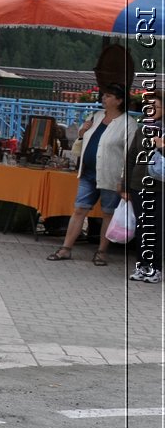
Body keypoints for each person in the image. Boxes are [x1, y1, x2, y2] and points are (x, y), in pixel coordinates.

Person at [47, 83, 136, 266]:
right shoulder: (95, 117)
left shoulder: (128, 124)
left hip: (111, 175)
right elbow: (82, 138)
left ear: (119, 101)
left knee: (108, 213)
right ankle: (66, 248)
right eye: (104, 95)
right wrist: (83, 131)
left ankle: (102, 251)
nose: (104, 98)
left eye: (109, 96)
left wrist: (124, 180)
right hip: (88, 172)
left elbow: (129, 155)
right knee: (79, 209)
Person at [125, 88, 161, 283]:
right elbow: (131, 157)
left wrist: (161, 146)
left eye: (155, 106)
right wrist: (124, 186)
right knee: (142, 227)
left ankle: (156, 268)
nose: (151, 109)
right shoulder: (141, 130)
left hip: (160, 187)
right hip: (139, 185)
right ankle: (142, 266)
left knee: (156, 228)